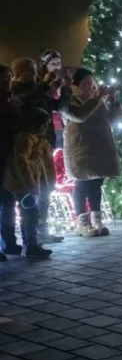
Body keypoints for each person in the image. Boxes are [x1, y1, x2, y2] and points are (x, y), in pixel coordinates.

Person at [61, 68, 122, 237]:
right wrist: (97, 99)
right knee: (82, 184)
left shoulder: (98, 100)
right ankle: (82, 221)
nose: (91, 86)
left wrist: (113, 101)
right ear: (77, 85)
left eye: (92, 82)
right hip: (80, 148)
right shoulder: (71, 101)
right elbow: (80, 116)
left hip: (99, 147)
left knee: (96, 184)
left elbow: (113, 120)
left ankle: (97, 219)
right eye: (86, 83)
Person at [11, 57, 65, 244]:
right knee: (32, 187)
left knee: (48, 186)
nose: (33, 74)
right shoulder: (16, 89)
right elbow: (25, 102)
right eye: (28, 71)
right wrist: (43, 86)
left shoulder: (39, 88)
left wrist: (60, 88)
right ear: (18, 72)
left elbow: (54, 108)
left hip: (45, 142)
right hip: (28, 144)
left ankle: (42, 226)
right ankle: (31, 232)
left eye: (34, 70)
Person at [2, 108, 54, 259]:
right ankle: (31, 245)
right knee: (31, 213)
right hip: (22, 184)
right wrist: (30, 184)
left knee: (29, 213)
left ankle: (31, 243)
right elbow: (21, 161)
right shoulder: (25, 138)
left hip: (26, 183)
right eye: (44, 125)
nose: (45, 128)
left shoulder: (35, 139)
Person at [0, 64, 20, 259]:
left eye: (9, 77)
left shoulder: (12, 100)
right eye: (3, 78)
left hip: (9, 154)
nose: (7, 81)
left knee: (8, 200)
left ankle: (9, 241)